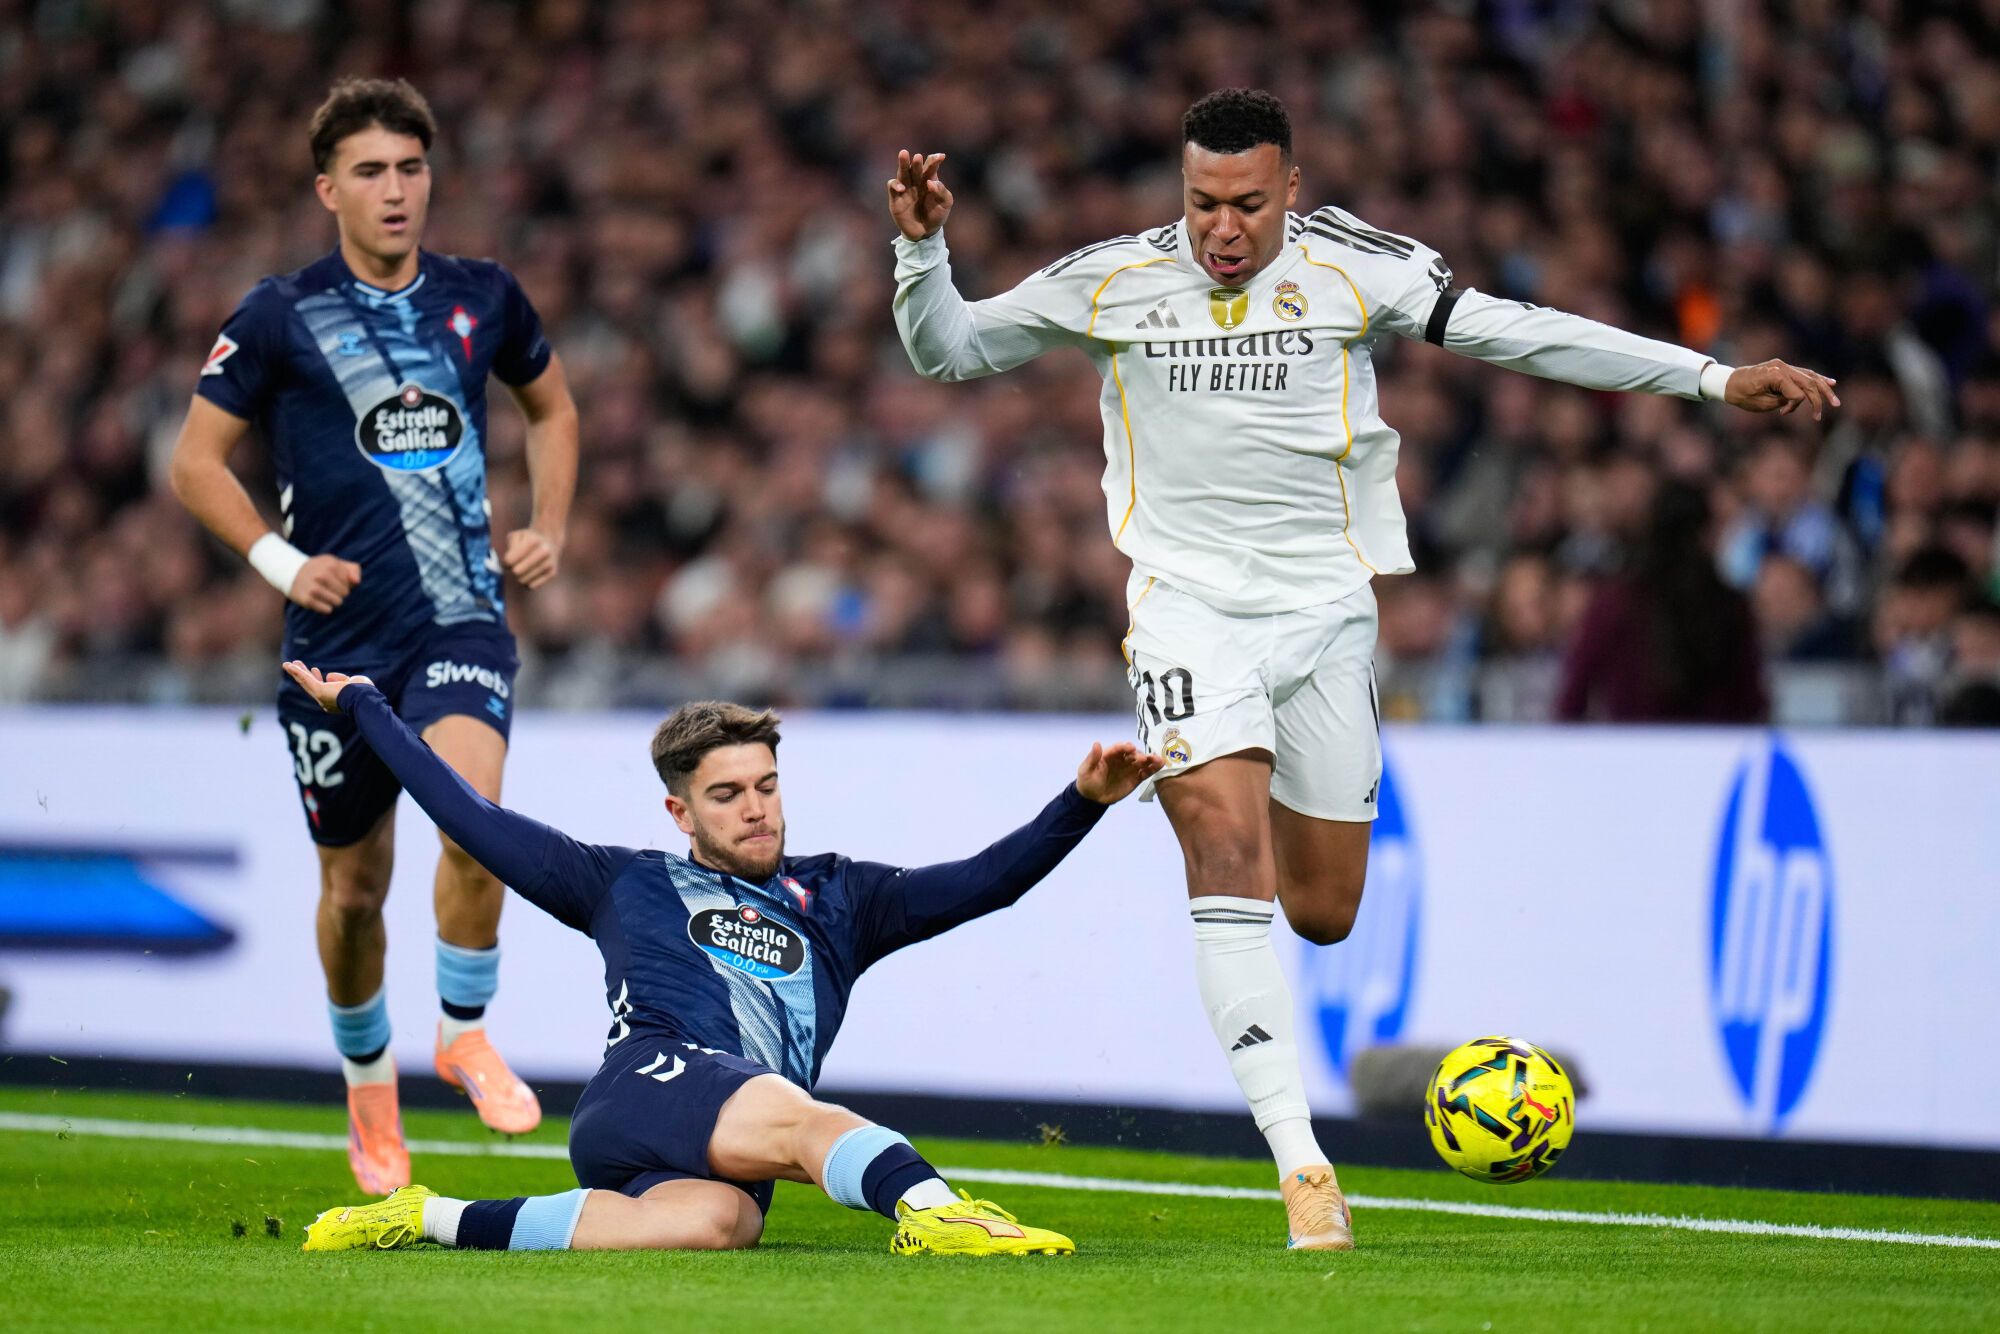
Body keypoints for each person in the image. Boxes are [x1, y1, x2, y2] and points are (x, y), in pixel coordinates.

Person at [885, 87, 1838, 1250]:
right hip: (1184, 612)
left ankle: (1243, 866)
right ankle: (1302, 1167)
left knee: (1324, 910)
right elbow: (948, 350)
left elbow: (1519, 328)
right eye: (1198, 203)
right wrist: (922, 247)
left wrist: (1709, 376)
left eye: (1244, 203)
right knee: (1222, 851)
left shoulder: (1353, 270)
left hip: (1327, 617)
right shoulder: (1113, 278)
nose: (1220, 229)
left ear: (1290, 188)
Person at [281, 660, 1161, 1255]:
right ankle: (939, 1215)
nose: (756, 810)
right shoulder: (618, 881)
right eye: (728, 795)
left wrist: (1081, 803)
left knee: (719, 1221)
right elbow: (468, 815)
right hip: (647, 1083)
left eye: (767, 787)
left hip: (714, 1143)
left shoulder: (847, 899)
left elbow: (985, 882)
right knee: (799, 1113)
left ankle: (427, 1217)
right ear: (680, 813)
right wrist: (364, 706)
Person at [167, 78, 580, 1193]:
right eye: (369, 172)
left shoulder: (484, 296)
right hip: (332, 645)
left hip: (460, 620)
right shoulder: (277, 313)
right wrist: (281, 562)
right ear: (326, 189)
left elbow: (552, 406)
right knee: (354, 889)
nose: (394, 191)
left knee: (478, 821)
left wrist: (546, 525)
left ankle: (463, 1026)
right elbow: (194, 463)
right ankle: (367, 1086)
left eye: (410, 168)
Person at [1556, 481, 1768, 722]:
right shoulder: (1732, 606)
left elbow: (1572, 698)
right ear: (1706, 534)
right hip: (1711, 752)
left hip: (1631, 750)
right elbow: (1753, 704)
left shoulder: (1614, 604)